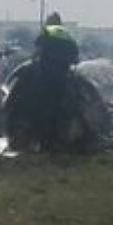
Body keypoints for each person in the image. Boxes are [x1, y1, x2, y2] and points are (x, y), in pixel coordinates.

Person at [31, 12, 80, 151]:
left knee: (42, 108)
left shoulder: (47, 32)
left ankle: (43, 142)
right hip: (63, 78)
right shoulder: (67, 34)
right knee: (62, 109)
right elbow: (76, 58)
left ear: (48, 22)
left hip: (45, 76)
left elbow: (37, 51)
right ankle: (60, 141)